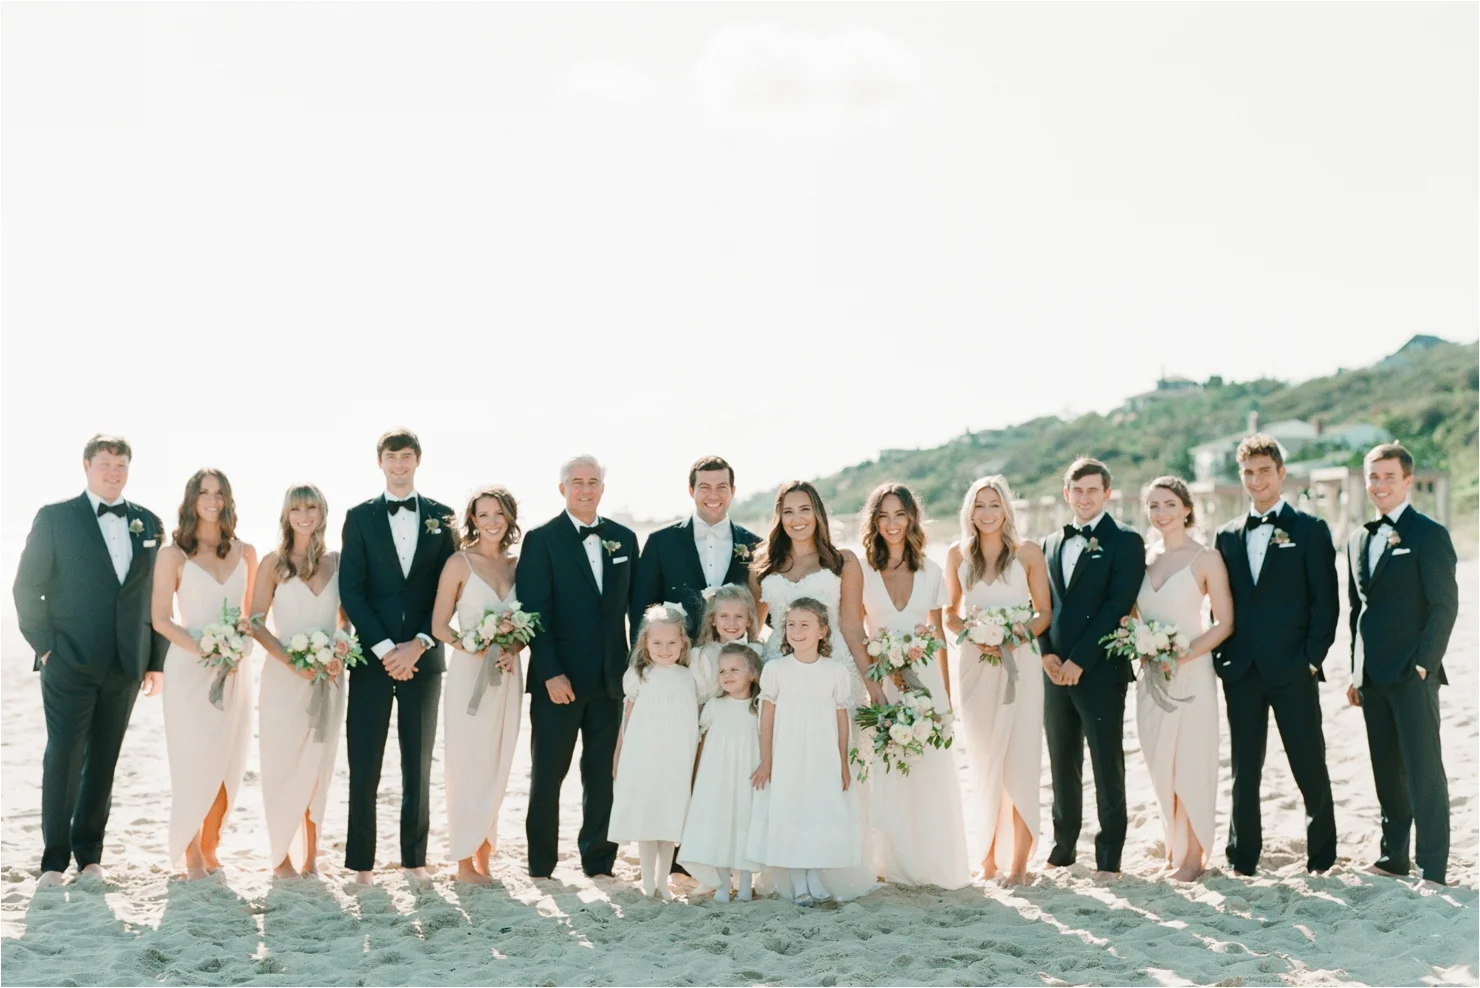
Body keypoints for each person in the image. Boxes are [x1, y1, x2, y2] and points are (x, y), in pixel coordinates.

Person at [13, 434, 169, 887]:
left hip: (126, 664)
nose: (113, 473)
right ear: (86, 466)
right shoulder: (56, 518)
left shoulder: (148, 522)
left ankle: (90, 856)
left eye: (121, 466)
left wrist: (154, 660)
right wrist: (46, 648)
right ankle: (53, 860)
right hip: (68, 662)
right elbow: (27, 588)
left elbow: (156, 600)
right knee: (63, 756)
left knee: (104, 758)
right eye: (105, 464)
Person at [1211, 434, 1339, 876]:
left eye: (1265, 470)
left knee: (1308, 762)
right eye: (1248, 472)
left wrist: (1311, 658)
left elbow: (1326, 602)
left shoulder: (1310, 529)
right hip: (1242, 669)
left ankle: (1321, 856)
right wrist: (1223, 660)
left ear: (1281, 473)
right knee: (1245, 769)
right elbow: (1220, 605)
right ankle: (1242, 856)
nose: (1256, 479)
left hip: (1293, 667)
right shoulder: (1226, 535)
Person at [338, 429, 457, 885]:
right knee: (364, 762)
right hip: (373, 659)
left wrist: (420, 642)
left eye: (407, 457)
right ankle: (361, 865)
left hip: (425, 658)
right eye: (392, 457)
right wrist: (387, 649)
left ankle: (415, 860)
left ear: (418, 461)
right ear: (380, 462)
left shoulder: (443, 517)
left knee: (418, 761)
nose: (400, 464)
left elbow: (447, 591)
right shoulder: (360, 517)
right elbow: (352, 588)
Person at [518, 454, 638, 880]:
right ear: (562, 488)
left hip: (611, 680)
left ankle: (599, 860)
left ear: (602, 489)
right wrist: (550, 672)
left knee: (602, 775)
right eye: (576, 481)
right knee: (548, 775)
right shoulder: (541, 539)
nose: (585, 489)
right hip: (559, 681)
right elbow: (534, 612)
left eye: (592, 482)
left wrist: (636, 670)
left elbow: (636, 611)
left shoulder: (624, 539)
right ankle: (541, 865)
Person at [1346, 442, 1459, 887]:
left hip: (1413, 674)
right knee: (1385, 770)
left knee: (1424, 769)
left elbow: (1444, 607)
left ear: (1408, 481)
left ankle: (1433, 865)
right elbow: (1358, 610)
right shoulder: (1359, 537)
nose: (1379, 485)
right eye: (1373, 477)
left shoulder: (1429, 535)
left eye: (1388, 477)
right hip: (1372, 676)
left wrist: (1423, 667)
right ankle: (1394, 857)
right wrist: (1356, 672)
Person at [856, 482, 969, 890]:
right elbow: (856, 630)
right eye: (883, 515)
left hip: (926, 686)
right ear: (874, 520)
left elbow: (938, 638)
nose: (892, 523)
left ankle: (929, 862)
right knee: (885, 768)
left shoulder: (931, 571)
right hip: (882, 682)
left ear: (911, 518)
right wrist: (877, 682)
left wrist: (945, 699)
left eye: (899, 514)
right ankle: (889, 862)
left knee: (928, 771)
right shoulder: (863, 572)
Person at [151, 468, 258, 880]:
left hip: (235, 670)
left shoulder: (246, 552)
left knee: (228, 760)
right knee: (193, 758)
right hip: (189, 671)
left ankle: (212, 843)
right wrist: (208, 649)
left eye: (219, 493)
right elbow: (161, 618)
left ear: (228, 500)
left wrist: (237, 648)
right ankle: (191, 849)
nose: (212, 500)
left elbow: (250, 617)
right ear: (191, 499)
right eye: (204, 492)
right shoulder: (172, 554)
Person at [944, 476, 1052, 886]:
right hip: (974, 664)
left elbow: (1043, 613)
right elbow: (950, 613)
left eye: (994, 504)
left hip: (1019, 663)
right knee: (986, 761)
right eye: (978, 505)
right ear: (968, 511)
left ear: (1006, 508)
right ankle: (987, 858)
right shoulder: (958, 555)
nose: (986, 513)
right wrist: (974, 634)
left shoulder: (1027, 553)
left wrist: (1011, 636)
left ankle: (1020, 865)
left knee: (1020, 760)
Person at [1040, 457, 1144, 876]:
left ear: (1107, 494)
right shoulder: (1049, 543)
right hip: (1053, 671)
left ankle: (1109, 856)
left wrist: (1079, 661)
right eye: (1077, 491)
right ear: (1067, 494)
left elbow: (1116, 605)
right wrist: (1046, 651)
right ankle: (1063, 848)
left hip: (1099, 670)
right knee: (1061, 761)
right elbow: (1041, 604)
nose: (1084, 498)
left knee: (1106, 762)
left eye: (1092, 491)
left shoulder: (1125, 541)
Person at [1134, 477, 1233, 882]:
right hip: (1151, 677)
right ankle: (1175, 847)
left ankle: (1194, 857)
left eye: (1170, 504)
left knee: (1190, 761)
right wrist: (1143, 646)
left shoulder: (1205, 558)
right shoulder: (1144, 559)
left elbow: (1225, 623)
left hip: (1191, 673)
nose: (1162, 513)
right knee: (1161, 764)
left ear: (1187, 509)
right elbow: (1134, 616)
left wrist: (1182, 654)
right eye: (1154, 506)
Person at [248, 483, 347, 880]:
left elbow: (346, 617)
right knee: (282, 763)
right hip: (284, 680)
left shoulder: (339, 562)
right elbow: (255, 622)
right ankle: (281, 858)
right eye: (296, 509)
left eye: (311, 507)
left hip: (330, 679)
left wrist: (339, 649)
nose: (304, 515)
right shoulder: (273, 563)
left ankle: (311, 858)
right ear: (286, 516)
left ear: (322, 512)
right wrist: (294, 662)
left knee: (319, 766)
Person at [431, 486, 526, 885]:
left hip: (508, 675)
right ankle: (463, 861)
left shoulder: (517, 565)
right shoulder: (459, 563)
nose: (491, 521)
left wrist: (514, 646)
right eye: (483, 515)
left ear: (509, 518)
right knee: (467, 765)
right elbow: (438, 626)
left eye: (498, 514)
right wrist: (469, 645)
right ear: (472, 519)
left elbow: (527, 625)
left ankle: (485, 856)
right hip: (470, 675)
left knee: (498, 763)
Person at [746, 599, 862, 906]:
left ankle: (814, 876)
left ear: (823, 631)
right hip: (788, 754)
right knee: (792, 810)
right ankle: (799, 882)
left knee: (819, 809)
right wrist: (767, 759)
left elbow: (841, 719)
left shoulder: (835, 672)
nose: (797, 631)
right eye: (791, 625)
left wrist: (843, 762)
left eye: (805, 624)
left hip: (822, 754)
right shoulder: (776, 670)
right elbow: (766, 717)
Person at [609, 603, 702, 899]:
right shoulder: (640, 675)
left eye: (671, 643)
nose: (664, 649)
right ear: (645, 643)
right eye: (657, 643)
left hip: (676, 758)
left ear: (683, 644)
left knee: (669, 818)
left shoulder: (688, 678)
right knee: (647, 817)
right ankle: (648, 880)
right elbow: (627, 718)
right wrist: (619, 754)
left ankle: (663, 880)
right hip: (645, 756)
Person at [632, 456, 762, 640]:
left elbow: (765, 607)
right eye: (705, 487)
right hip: (675, 660)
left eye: (721, 487)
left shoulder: (755, 545)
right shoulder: (660, 542)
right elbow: (641, 609)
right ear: (691, 490)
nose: (713, 495)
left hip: (735, 661)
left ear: (732, 491)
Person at [679, 643, 766, 902]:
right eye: (722, 671)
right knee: (720, 823)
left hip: (749, 775)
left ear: (752, 673)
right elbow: (702, 744)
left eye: (734, 670)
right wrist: (696, 777)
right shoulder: (714, 706)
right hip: (718, 776)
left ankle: (747, 882)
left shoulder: (759, 708)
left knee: (746, 820)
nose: (726, 676)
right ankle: (722, 882)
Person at [688, 583, 762, 700]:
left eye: (739, 616)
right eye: (724, 616)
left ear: (749, 620)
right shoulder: (702, 655)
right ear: (713, 619)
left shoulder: (758, 652)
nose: (731, 622)